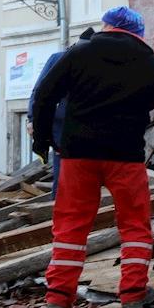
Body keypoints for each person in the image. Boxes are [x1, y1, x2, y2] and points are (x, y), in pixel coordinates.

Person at [31, 6, 154, 308]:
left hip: (78, 156)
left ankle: (58, 297)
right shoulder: (152, 64)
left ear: (107, 26)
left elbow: (44, 96)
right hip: (126, 157)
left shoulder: (78, 54)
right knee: (135, 226)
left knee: (70, 227)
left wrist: (41, 140)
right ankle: (133, 294)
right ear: (138, 34)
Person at [28, 27, 94, 199]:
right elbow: (40, 91)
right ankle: (59, 207)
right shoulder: (59, 59)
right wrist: (32, 119)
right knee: (64, 177)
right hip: (63, 129)